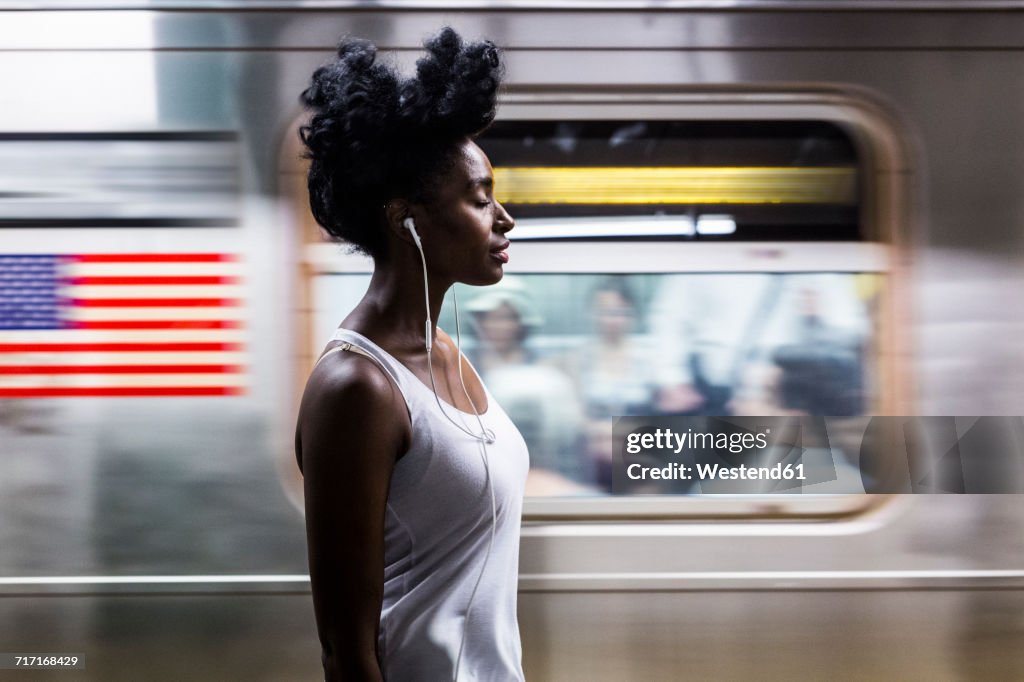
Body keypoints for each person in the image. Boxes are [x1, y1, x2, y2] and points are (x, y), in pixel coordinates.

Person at [293, 28, 527, 681]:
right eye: (480, 198)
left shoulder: (446, 354)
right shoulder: (357, 388)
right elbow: (348, 652)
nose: (504, 218)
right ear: (407, 217)